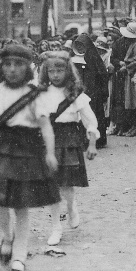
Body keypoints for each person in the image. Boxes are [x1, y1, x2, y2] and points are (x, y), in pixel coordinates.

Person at [0, 44, 59, 271]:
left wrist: (50, 153)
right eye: (8, 64)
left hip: (27, 149)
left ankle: (19, 256)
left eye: (18, 65)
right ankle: (7, 235)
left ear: (28, 67)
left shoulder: (35, 92)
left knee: (22, 205)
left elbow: (46, 126)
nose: (12, 70)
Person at [37, 51, 99, 246]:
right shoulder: (40, 93)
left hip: (68, 139)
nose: (55, 75)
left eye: (60, 70)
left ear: (68, 71)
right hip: (47, 140)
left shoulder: (75, 94)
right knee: (50, 185)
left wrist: (92, 143)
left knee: (66, 185)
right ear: (45, 72)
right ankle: (56, 227)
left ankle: (72, 208)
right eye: (51, 71)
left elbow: (90, 120)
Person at [70, 34, 109, 148]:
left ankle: (97, 140)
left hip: (93, 91)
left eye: (82, 46)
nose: (80, 48)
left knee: (93, 114)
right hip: (79, 90)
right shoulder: (72, 58)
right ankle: (82, 140)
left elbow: (102, 75)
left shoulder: (93, 58)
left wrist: (102, 91)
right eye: (78, 46)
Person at [119, 23, 136, 137]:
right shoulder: (132, 44)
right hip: (129, 75)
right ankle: (134, 126)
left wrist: (127, 67)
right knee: (131, 101)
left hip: (134, 75)